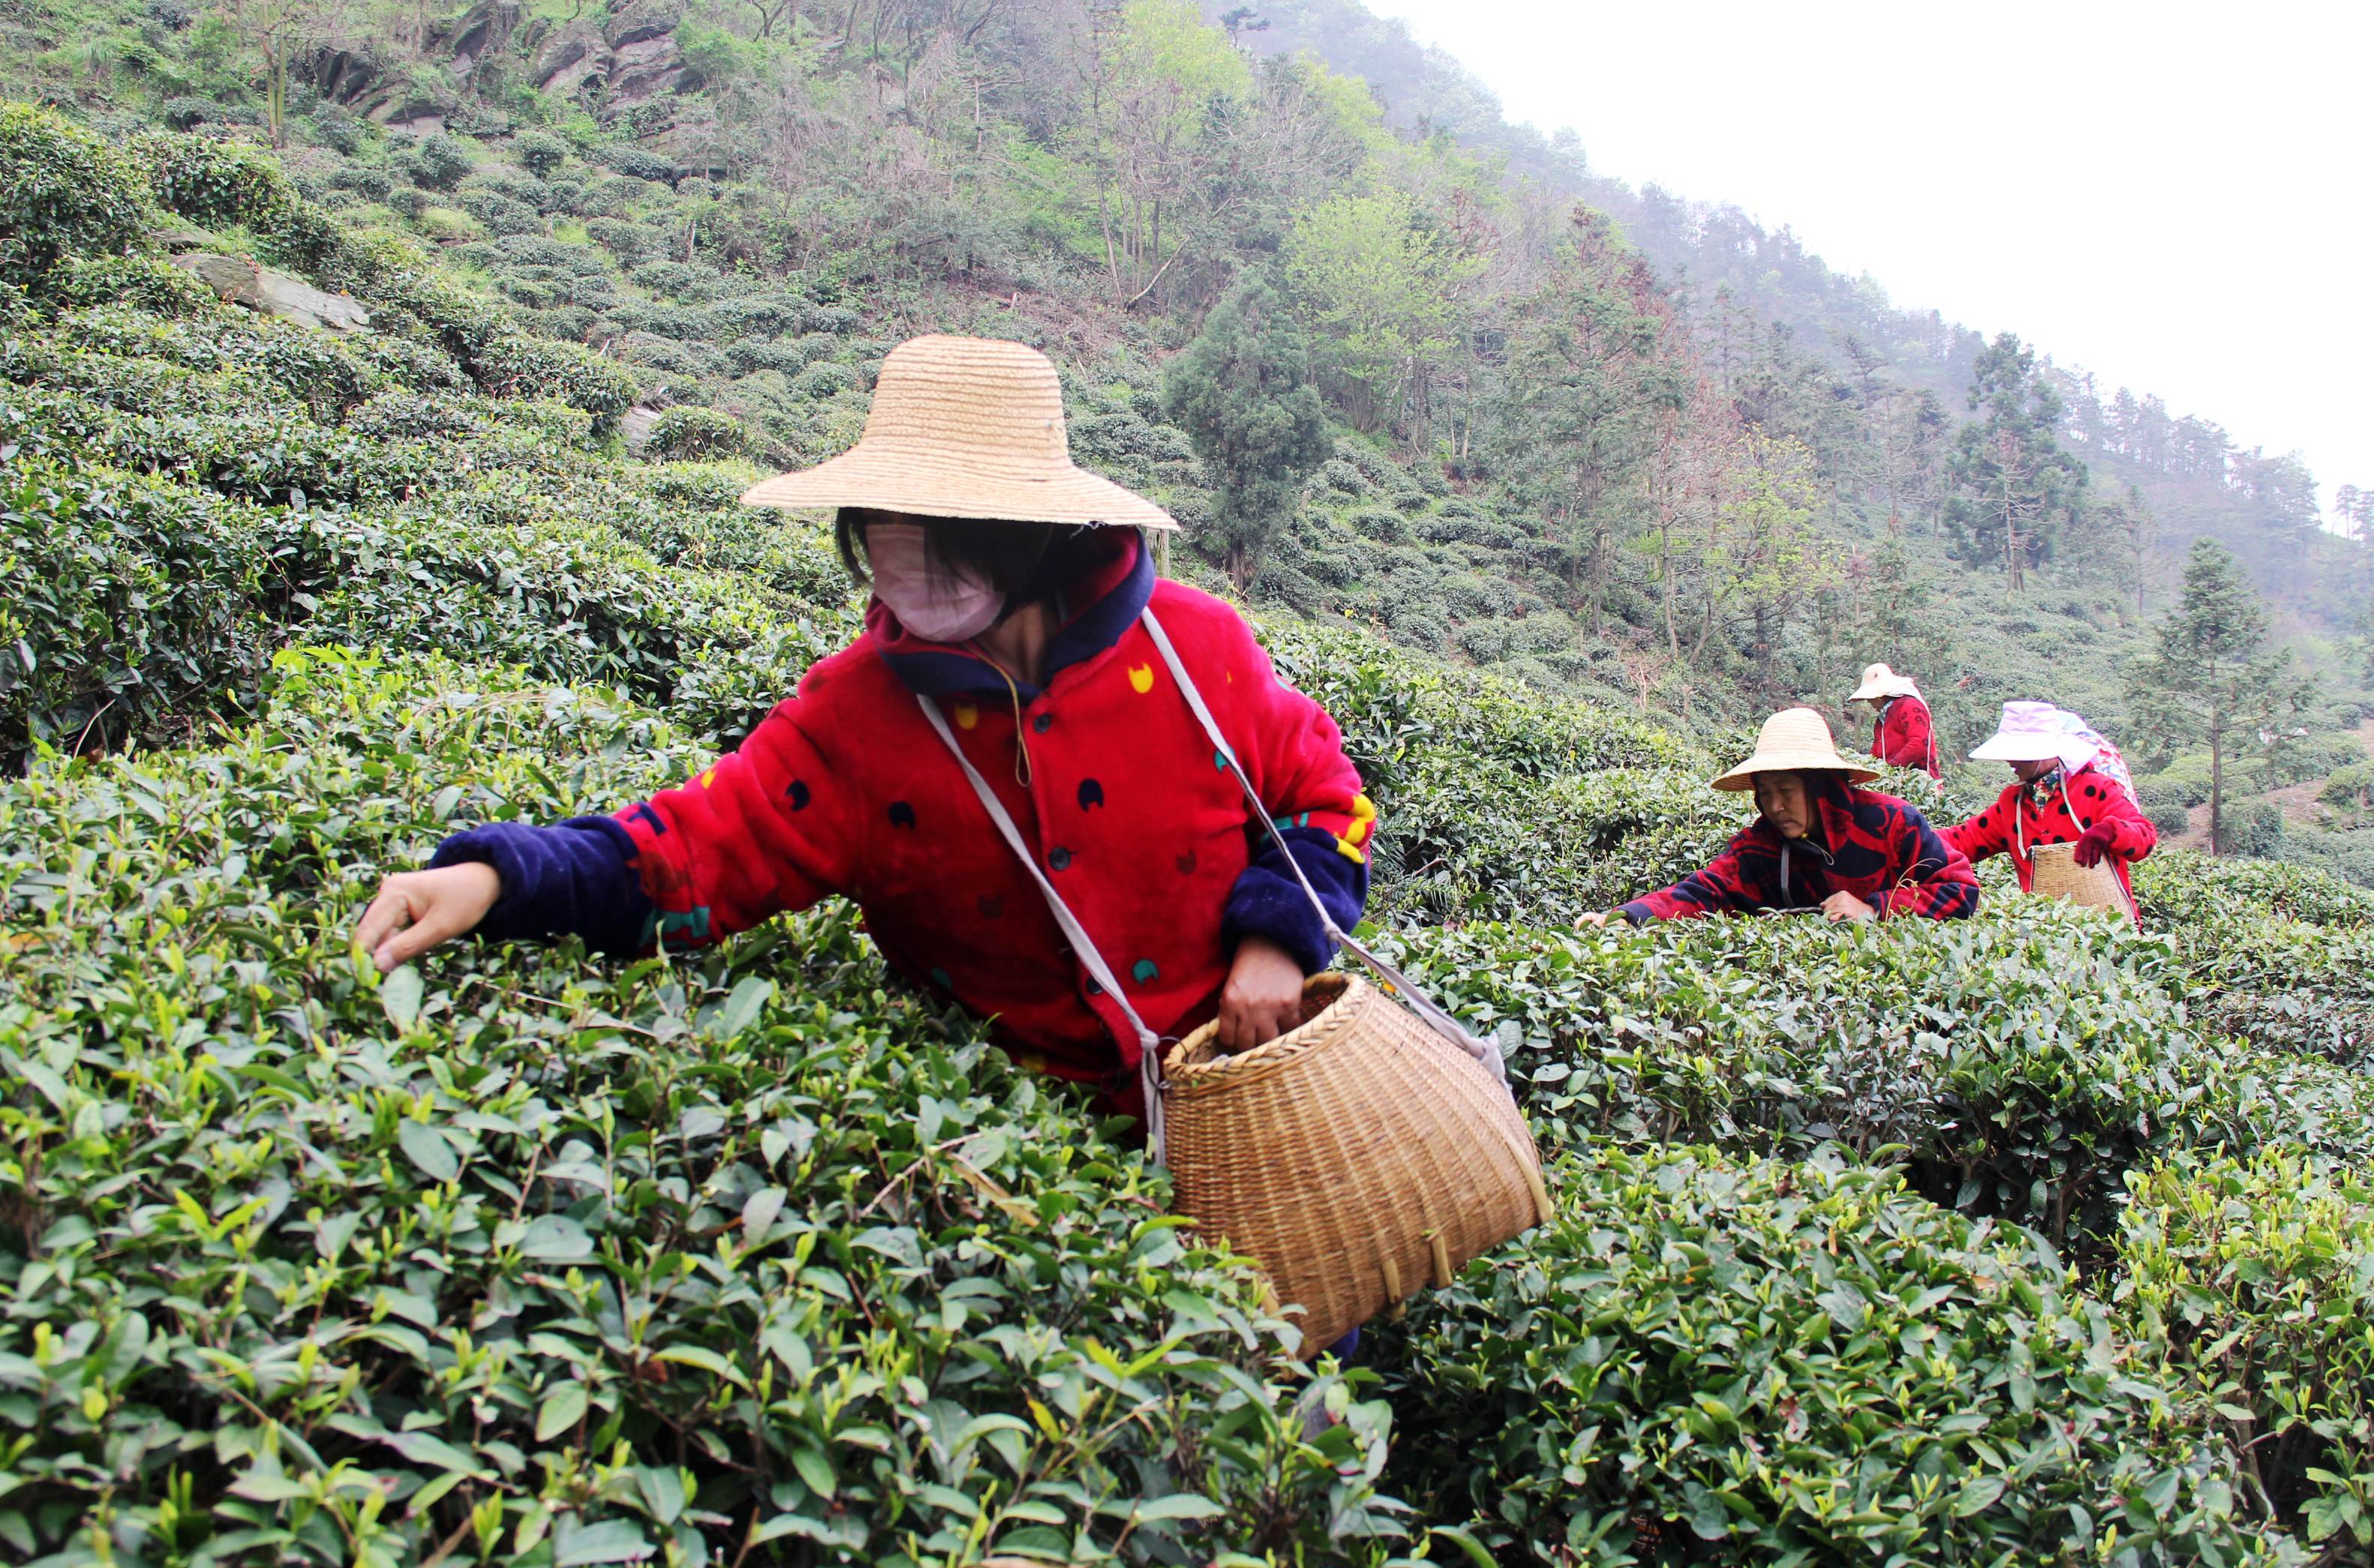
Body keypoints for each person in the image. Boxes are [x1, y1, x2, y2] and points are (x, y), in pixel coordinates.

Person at [353, 334, 1378, 1120]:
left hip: (1250, 1100)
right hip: (1032, 1138)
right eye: (880, 533)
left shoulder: (1195, 648)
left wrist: (1274, 943)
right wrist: (494, 878)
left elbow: (1326, 797)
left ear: (1027, 533)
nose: (897, 564)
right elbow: (696, 850)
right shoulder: (855, 716)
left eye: (931, 534)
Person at [1578, 707, 1979, 927]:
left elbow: (1960, 893)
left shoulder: (1893, 822)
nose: (1774, 806)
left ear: (1820, 786)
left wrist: (1874, 907)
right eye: (1765, 794)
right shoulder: (1763, 845)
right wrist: (1625, 917)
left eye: (1786, 791)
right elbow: (1700, 892)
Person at [1940, 701, 2156, 924]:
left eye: (2019, 753)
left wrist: (2110, 831)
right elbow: (1967, 839)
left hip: (2109, 930)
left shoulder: (2094, 788)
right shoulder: (2013, 802)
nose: (2010, 761)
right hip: (2046, 935)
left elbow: (2144, 836)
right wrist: (1910, 834)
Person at [1847, 662, 1941, 779]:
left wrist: (1889, 768)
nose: (1869, 702)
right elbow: (1877, 752)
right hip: (1894, 777)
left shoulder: (1909, 707)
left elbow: (1919, 744)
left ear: (1880, 696)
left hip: (1917, 778)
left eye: (1870, 699)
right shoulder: (1882, 719)